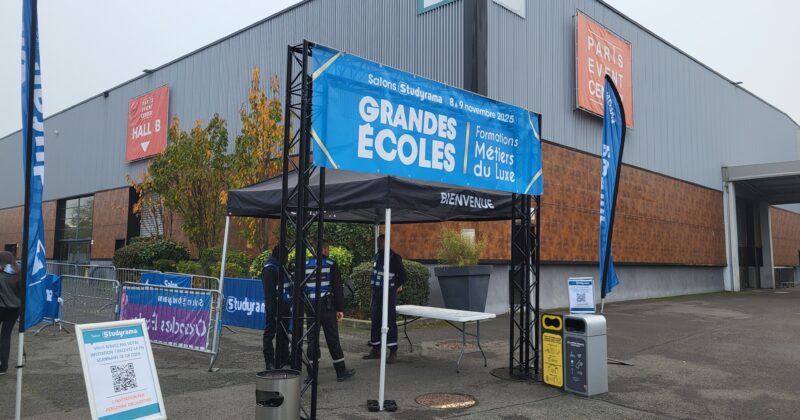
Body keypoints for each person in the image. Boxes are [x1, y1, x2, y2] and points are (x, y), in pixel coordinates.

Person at [305, 240, 355, 382]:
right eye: (329, 249)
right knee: (332, 338)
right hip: (326, 307)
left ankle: (311, 376)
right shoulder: (331, 264)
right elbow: (338, 289)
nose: (329, 252)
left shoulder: (305, 265)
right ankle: (341, 372)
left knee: (312, 341)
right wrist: (340, 308)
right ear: (324, 250)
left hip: (310, 306)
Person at [363, 234, 406, 363]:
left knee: (389, 321)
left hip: (388, 293)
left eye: (381, 242)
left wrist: (393, 286)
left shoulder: (394, 257)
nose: (378, 244)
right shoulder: (377, 256)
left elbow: (403, 277)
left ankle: (393, 351)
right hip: (376, 292)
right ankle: (376, 348)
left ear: (386, 243)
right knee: (375, 319)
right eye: (378, 242)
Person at [262, 244, 291, 371]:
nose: (288, 259)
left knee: (283, 333)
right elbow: (269, 293)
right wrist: (272, 310)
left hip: (284, 306)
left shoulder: (281, 267)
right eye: (286, 256)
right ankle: (269, 361)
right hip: (274, 307)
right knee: (269, 334)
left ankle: (284, 357)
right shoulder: (270, 268)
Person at [0, 251, 21, 375]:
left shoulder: (1, 274)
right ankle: (3, 366)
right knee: (5, 336)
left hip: (1, 307)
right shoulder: (19, 273)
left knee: (5, 336)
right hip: (14, 310)